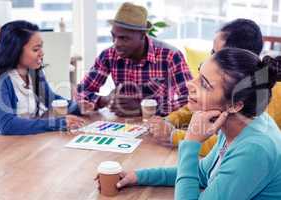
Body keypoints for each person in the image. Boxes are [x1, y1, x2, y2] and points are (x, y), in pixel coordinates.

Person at [113, 48, 281, 199]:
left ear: (235, 105)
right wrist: (138, 176)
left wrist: (190, 142)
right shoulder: (240, 121)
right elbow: (202, 173)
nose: (189, 83)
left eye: (205, 84)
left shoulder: (254, 149)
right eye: (199, 75)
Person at [149, 18, 264, 156]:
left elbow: (227, 147)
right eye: (211, 52)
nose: (211, 59)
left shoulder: (259, 99)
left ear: (237, 60)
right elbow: (198, 105)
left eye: (216, 54)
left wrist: (174, 136)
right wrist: (167, 121)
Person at [0, 20, 90, 143]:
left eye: (41, 47)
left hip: (23, 141)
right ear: (15, 51)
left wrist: (78, 107)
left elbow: (52, 100)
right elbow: (6, 125)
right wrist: (57, 123)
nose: (42, 53)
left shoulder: (33, 72)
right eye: (35, 49)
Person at [76, 2, 192, 117]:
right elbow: (81, 91)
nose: (116, 44)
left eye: (124, 38)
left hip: (158, 124)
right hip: (120, 125)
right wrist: (105, 100)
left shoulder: (170, 56)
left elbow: (191, 100)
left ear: (142, 35)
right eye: (114, 36)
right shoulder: (108, 55)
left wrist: (144, 108)